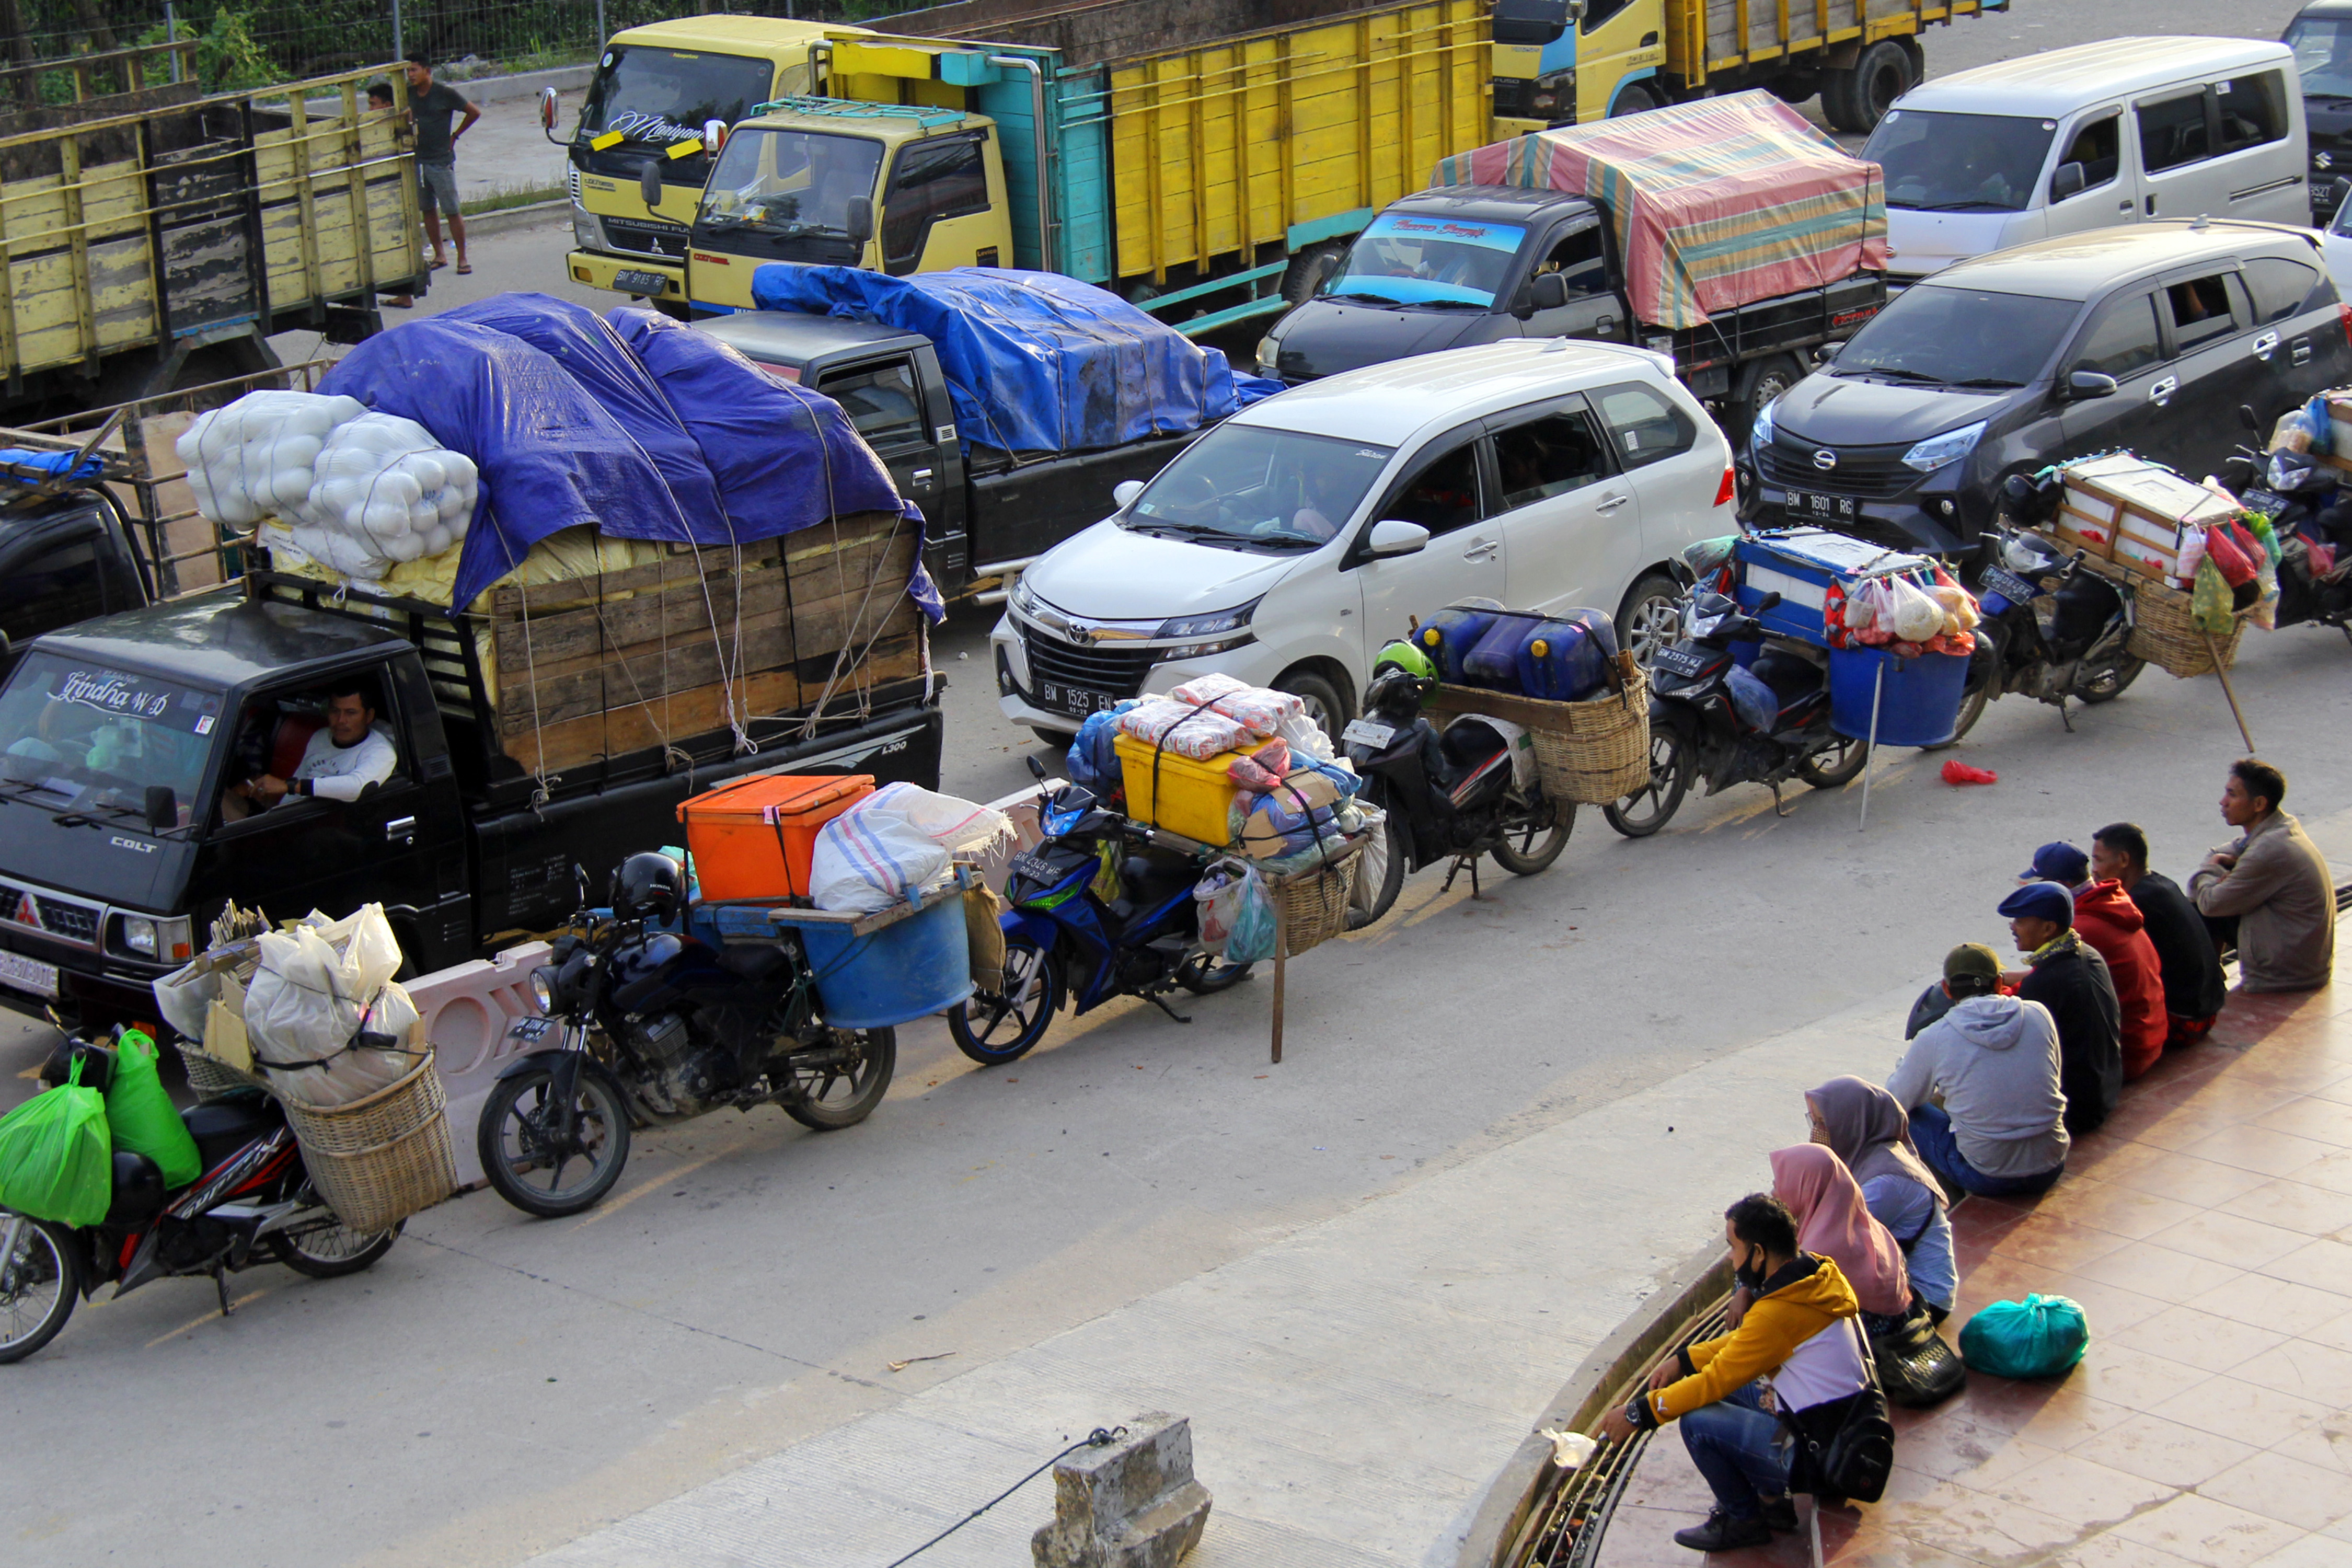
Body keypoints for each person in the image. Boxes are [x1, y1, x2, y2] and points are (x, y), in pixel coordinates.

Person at [1595, 1195, 1870, 1553]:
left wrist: (1639, 1413)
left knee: (1697, 1422)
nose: (1730, 1259)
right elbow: (1746, 1343)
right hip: (1837, 1427)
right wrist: (1685, 1360)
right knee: (1726, 1388)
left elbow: (1717, 1379)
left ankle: (1744, 1521)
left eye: (1733, 1247)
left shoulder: (1778, 1312)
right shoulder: (1813, 1277)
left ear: (1758, 1254)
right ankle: (1773, 1505)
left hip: (1818, 1454)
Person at [1886, 942, 2071, 1195]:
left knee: (1912, 1115)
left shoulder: (1935, 1037)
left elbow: (1894, 1102)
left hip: (1987, 1177)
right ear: (1998, 983)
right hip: (2050, 1165)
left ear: (1946, 990)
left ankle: (1947, 1202)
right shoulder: (2038, 1014)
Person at [1806, 1077, 1956, 1324]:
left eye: (1824, 1123)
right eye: (1814, 1121)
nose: (1816, 1132)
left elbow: (1833, 1245)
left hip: (1924, 1301)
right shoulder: (1870, 1156)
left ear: (1852, 1125)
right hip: (1899, 1286)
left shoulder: (1885, 1182)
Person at [2020, 840, 2167, 1081]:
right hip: (2149, 1038)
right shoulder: (2111, 902)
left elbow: (2044, 984)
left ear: (2061, 887)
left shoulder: (2080, 930)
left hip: (2127, 1055)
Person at [2192, 759, 2336, 993]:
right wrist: (2218, 865)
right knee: (2214, 890)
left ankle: (2208, 990)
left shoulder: (2270, 848)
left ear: (2259, 804)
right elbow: (2217, 853)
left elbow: (2208, 903)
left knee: (2200, 908)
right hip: (2302, 960)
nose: (2223, 802)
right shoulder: (2281, 827)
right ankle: (2212, 979)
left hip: (2288, 973)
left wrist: (2212, 868)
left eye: (2232, 795)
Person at [2001, 881, 2122, 1134]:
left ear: (2048, 928)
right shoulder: (2087, 954)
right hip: (2106, 1089)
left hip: (2075, 1109)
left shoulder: (2044, 986)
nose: (2013, 927)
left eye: (2021, 921)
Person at [2092, 822, 2226, 1045]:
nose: (2094, 870)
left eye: (2099, 860)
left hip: (2184, 1021)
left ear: (2124, 860)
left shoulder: (2137, 904)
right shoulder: (2162, 884)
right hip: (2207, 1012)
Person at [225, 684, 398, 820]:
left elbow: (356, 788)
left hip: (325, 828)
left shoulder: (380, 751)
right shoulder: (322, 736)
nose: (341, 721)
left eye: (351, 713)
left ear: (368, 716)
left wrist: (289, 786)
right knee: (217, 801)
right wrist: (269, 796)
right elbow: (301, 780)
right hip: (286, 818)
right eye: (335, 711)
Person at [403, 54, 481, 275]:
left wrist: (455, 135)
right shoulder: (409, 94)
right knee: (427, 209)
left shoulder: (444, 93)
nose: (410, 75)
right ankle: (439, 254)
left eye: (414, 70)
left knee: (451, 209)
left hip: (440, 160)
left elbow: (474, 112)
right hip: (418, 160)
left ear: (428, 71)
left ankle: (463, 258)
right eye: (408, 71)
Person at [368, 82, 419, 310]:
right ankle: (403, 295)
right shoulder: (382, 125)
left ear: (386, 105)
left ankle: (401, 295)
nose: (370, 109)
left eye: (373, 104)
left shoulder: (392, 125)